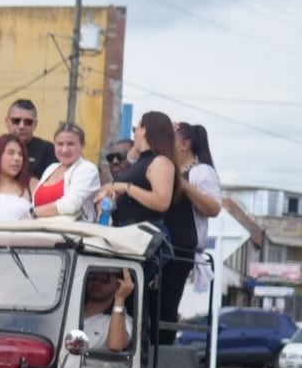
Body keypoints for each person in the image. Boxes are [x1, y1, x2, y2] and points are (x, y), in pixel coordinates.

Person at [97, 110, 196, 337]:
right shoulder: (139, 161)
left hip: (144, 235)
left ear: (147, 130)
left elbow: (161, 201)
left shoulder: (161, 162)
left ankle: (137, 347)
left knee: (130, 292)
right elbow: (130, 159)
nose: (135, 132)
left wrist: (127, 188)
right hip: (124, 232)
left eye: (137, 128)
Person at [175, 122, 222, 294]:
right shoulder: (170, 169)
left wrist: (185, 186)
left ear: (184, 144)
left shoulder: (201, 171)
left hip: (180, 251)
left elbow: (214, 208)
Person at [32, 122, 101, 222]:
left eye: (70, 144)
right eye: (60, 144)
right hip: (40, 231)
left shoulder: (88, 169)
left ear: (82, 145)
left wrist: (34, 212)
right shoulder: (51, 168)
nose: (65, 150)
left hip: (71, 234)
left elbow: (70, 205)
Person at [0, 99, 55, 181]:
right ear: (6, 121)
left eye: (28, 122)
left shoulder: (47, 149)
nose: (21, 126)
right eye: (16, 121)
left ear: (35, 124)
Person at [80, 268, 135, 352]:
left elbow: (116, 345)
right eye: (93, 277)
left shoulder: (122, 320)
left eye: (105, 279)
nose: (97, 282)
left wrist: (120, 298)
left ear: (118, 285)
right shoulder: (71, 309)